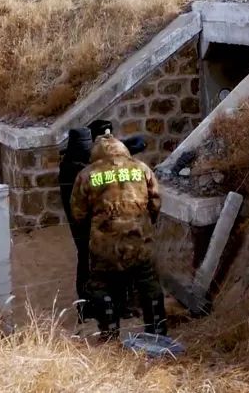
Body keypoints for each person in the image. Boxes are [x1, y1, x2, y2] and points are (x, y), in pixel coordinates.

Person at [69, 132, 168, 341]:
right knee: (149, 285)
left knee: (100, 286)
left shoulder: (86, 175)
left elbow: (78, 214)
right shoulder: (141, 168)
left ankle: (110, 333)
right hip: (140, 241)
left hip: (104, 245)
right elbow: (156, 202)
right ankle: (158, 334)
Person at [58, 126, 93, 321]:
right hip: (82, 221)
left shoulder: (67, 164)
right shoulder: (77, 170)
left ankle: (86, 307)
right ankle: (86, 308)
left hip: (79, 221)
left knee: (85, 259)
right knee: (86, 260)